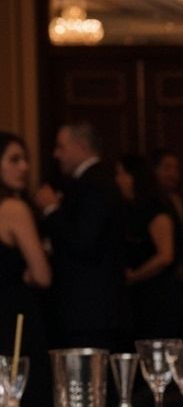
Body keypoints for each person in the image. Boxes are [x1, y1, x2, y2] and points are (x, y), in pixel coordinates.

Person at [33, 121, 128, 350]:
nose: (56, 154)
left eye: (61, 147)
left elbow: (84, 242)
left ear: (81, 146)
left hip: (89, 312)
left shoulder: (94, 183)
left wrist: (51, 210)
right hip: (90, 312)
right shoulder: (92, 181)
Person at [0, 132, 52, 407]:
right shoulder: (14, 208)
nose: (24, 167)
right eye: (14, 159)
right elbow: (43, 275)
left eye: (24, 159)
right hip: (15, 317)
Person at [116, 154, 183, 339]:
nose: (117, 179)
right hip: (140, 297)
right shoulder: (129, 208)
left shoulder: (155, 208)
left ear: (134, 177)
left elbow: (165, 256)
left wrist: (133, 276)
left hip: (158, 297)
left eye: (121, 173)